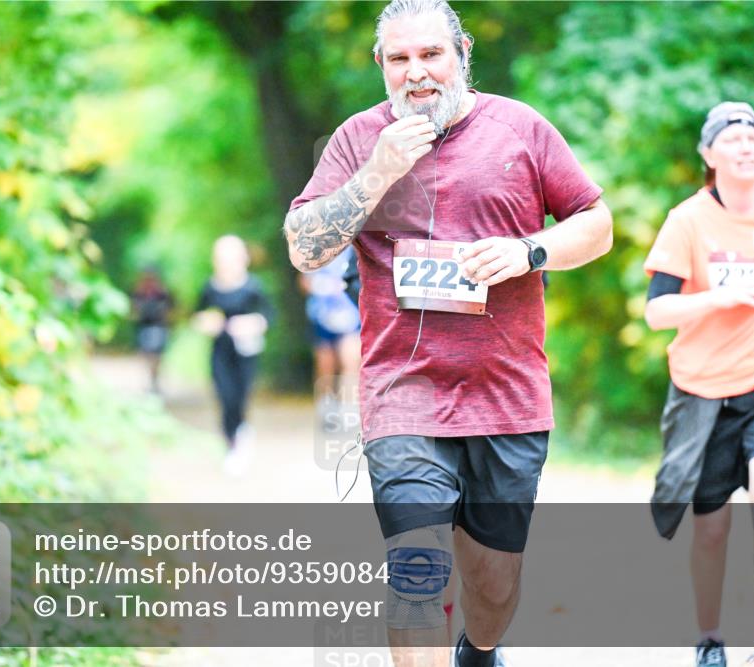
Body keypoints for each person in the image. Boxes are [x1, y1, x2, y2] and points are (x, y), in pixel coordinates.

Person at [284, 2, 612, 665]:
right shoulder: (358, 139)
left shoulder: (520, 130)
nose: (417, 74)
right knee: (415, 575)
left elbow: (596, 222)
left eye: (430, 55)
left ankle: (479, 649)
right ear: (381, 65)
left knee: (493, 587)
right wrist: (376, 172)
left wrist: (530, 252)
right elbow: (304, 248)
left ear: (461, 52)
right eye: (399, 59)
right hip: (402, 396)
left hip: (507, 397)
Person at [644, 102, 754, 667]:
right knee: (712, 530)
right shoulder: (688, 220)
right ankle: (710, 639)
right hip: (702, 392)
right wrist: (718, 298)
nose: (746, 146)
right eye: (732, 138)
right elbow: (656, 312)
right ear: (708, 154)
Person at [193, 235, 273, 477]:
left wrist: (253, 323)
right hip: (220, 351)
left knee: (240, 397)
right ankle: (231, 443)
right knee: (224, 396)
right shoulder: (209, 287)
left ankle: (241, 435)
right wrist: (207, 322)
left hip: (246, 351)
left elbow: (269, 315)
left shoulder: (253, 287)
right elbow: (197, 315)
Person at [299, 245, 362, 428]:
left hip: (351, 313)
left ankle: (348, 408)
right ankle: (326, 407)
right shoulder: (317, 248)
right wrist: (319, 285)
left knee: (350, 360)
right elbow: (304, 281)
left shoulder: (357, 246)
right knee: (325, 364)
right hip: (323, 314)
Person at [132, 267, 175, 394]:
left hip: (159, 326)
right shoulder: (139, 292)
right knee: (148, 355)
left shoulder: (162, 293)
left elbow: (172, 308)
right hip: (145, 327)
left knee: (157, 356)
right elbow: (133, 309)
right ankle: (152, 380)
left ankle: (154, 380)